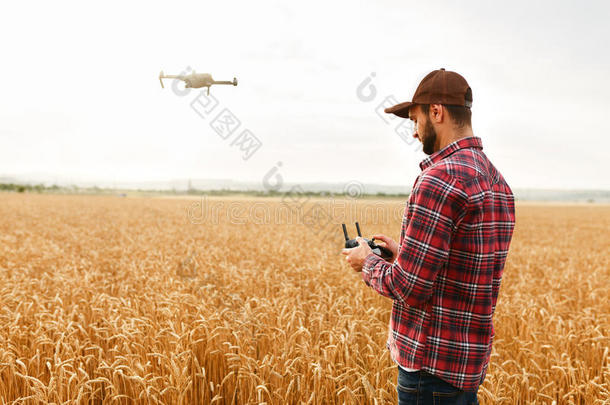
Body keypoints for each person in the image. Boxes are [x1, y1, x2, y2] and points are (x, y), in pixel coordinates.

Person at [342, 68, 516, 405]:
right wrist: (401, 254)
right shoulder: (496, 180)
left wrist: (368, 261)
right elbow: (461, 268)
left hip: (429, 371)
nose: (414, 132)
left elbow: (409, 287)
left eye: (415, 119)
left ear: (436, 112)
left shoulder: (438, 179)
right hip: (465, 368)